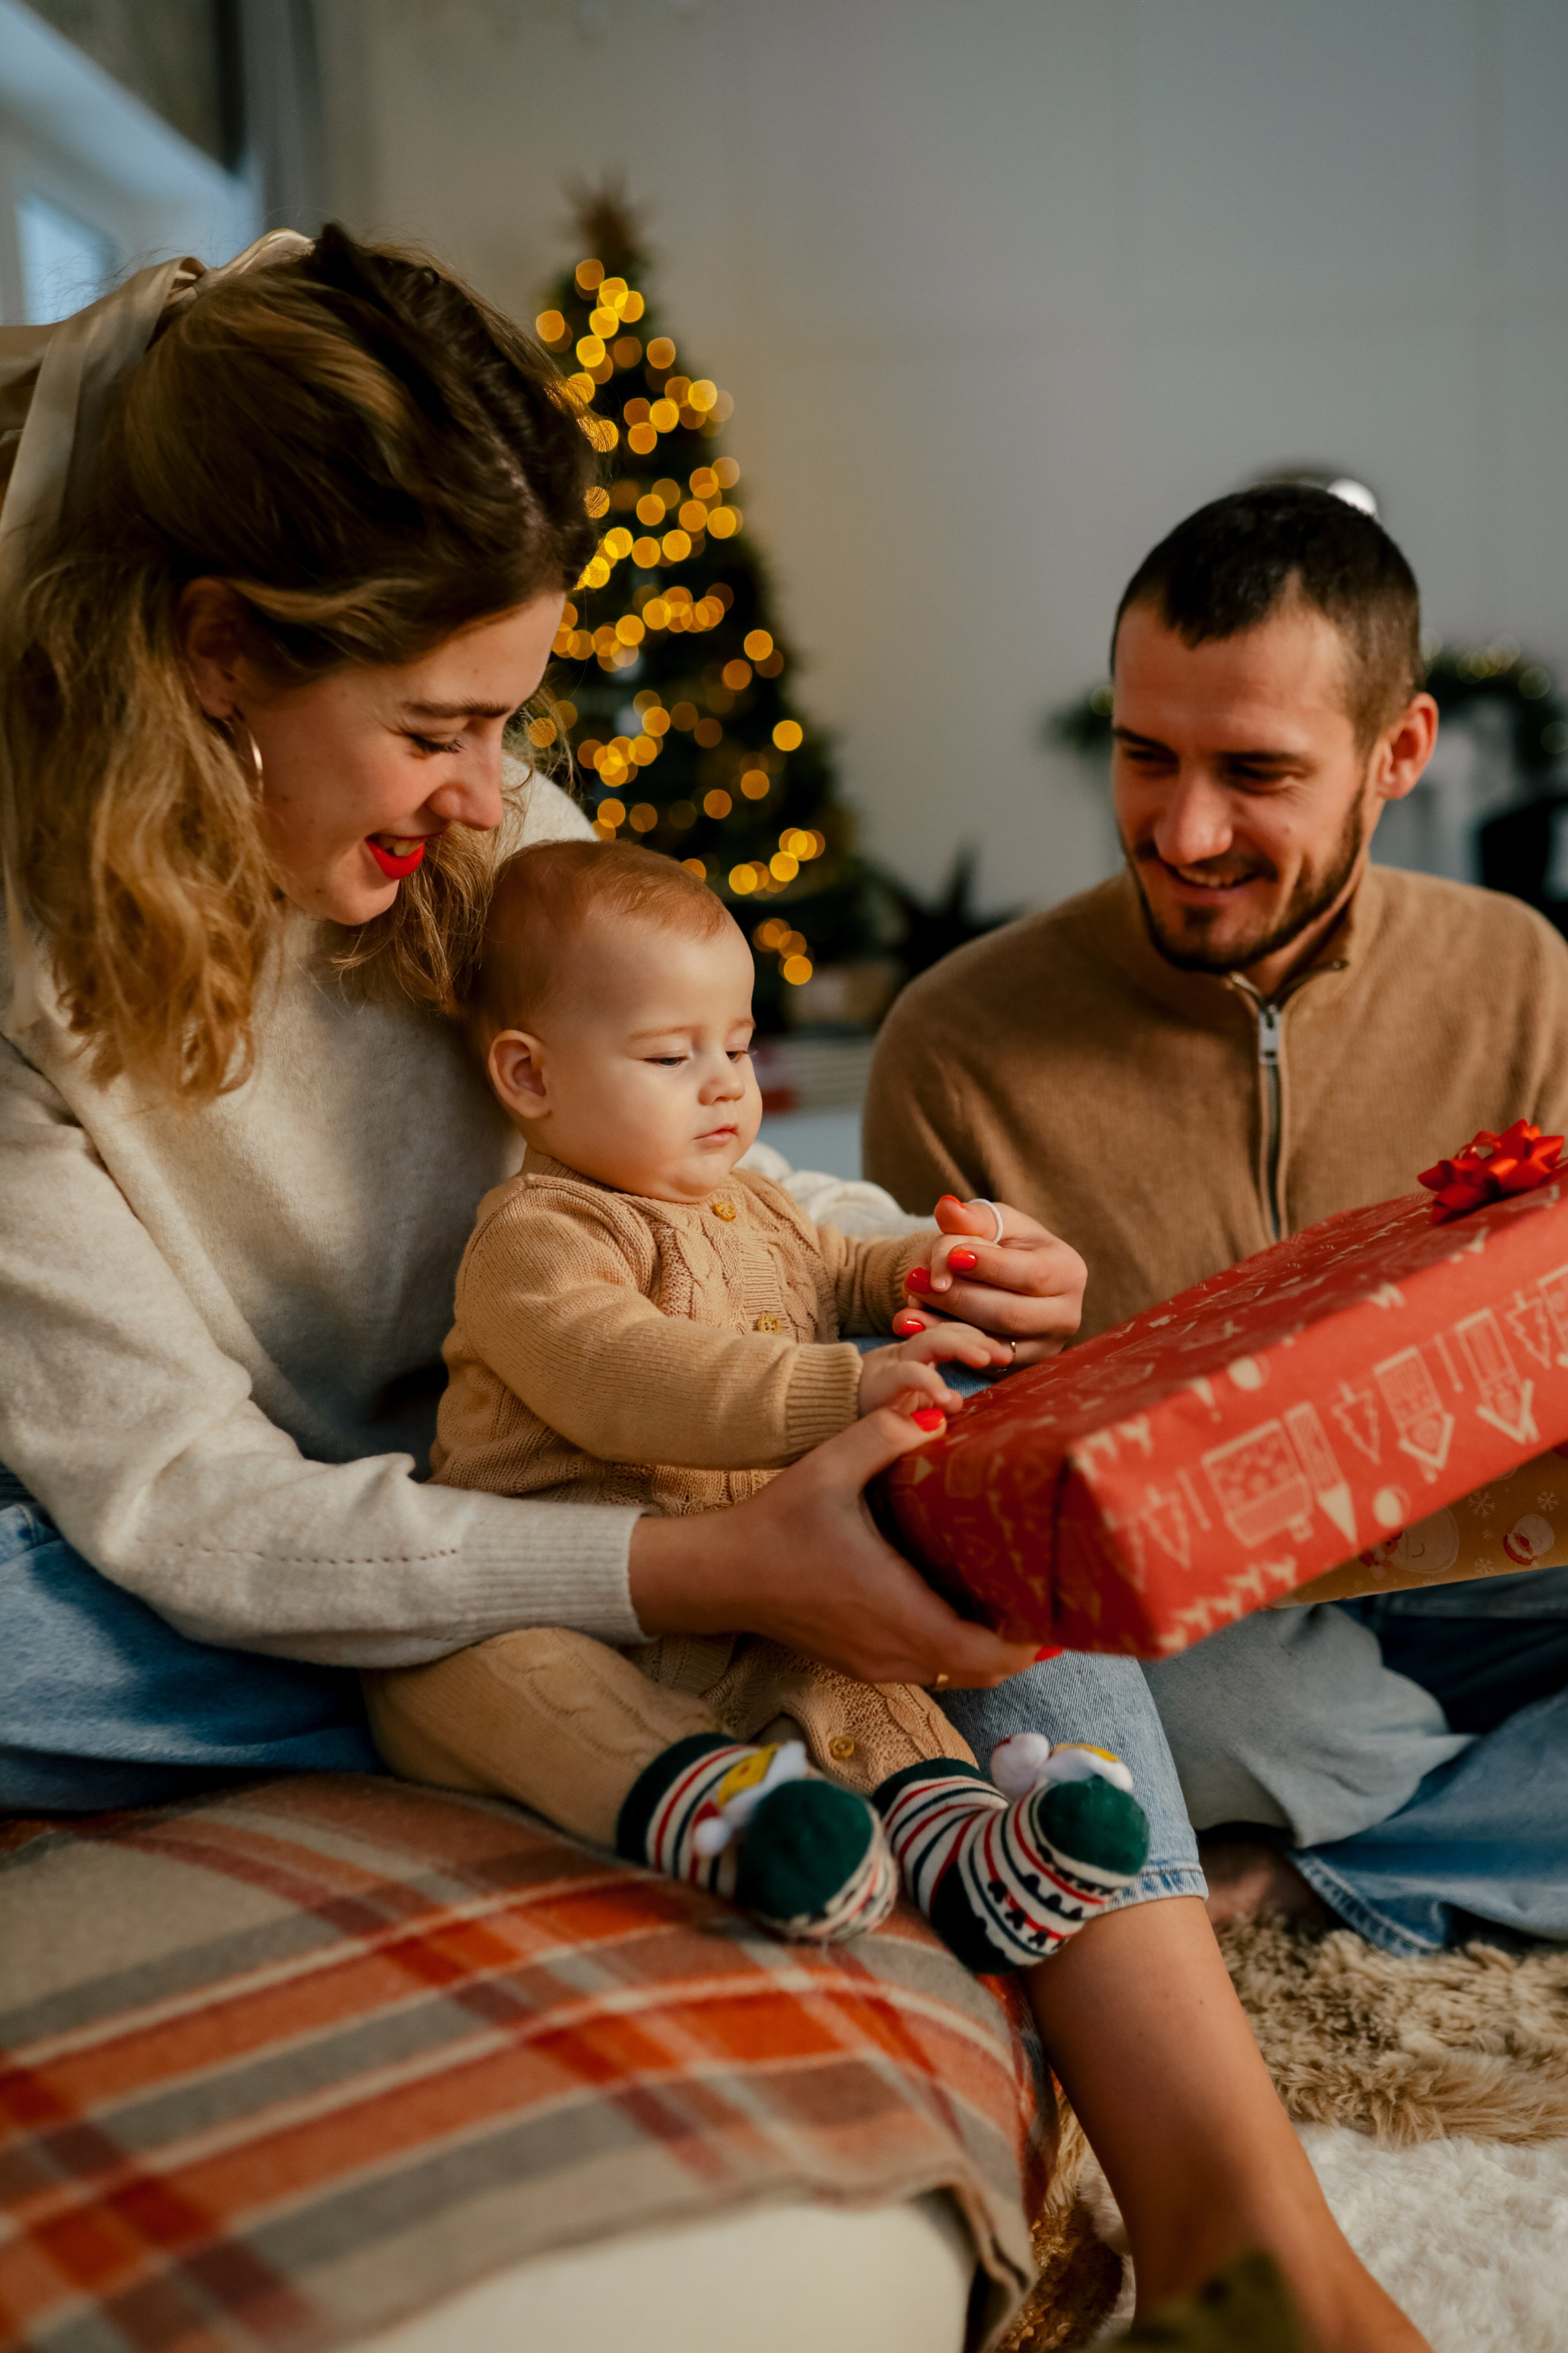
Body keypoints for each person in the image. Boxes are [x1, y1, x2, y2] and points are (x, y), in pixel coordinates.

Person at [0, 237, 1419, 2346]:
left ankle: (1250, 2245)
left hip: (563, 1444)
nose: (493, 788)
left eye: (513, 721)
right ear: (216, 649)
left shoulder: (483, 834)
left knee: (966, 1469)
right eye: (437, 727)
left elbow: (685, 1144)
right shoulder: (26, 982)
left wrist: (900, 1253)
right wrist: (694, 1570)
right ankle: (609, 1702)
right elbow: (192, 1513)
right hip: (242, 1550)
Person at [865, 482, 1568, 1966]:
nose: (1183, 830)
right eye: (1142, 756)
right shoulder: (959, 1041)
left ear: (1395, 755)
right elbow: (938, 1500)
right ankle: (1475, 1836)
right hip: (1216, 1658)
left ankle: (1318, 1872)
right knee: (1146, 1709)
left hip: (1508, 1575)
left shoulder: (1516, 971)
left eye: (1253, 771)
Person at [364, 837, 1150, 1962]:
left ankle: (963, 1842)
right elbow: (622, 1370)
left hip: (750, 1597)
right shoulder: (537, 1236)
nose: (729, 1081)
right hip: (569, 1601)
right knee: (481, 1679)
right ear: (530, 1077)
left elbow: (836, 1266)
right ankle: (731, 1812)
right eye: (673, 1054)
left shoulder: (748, 1202)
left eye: (735, 1042)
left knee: (847, 1677)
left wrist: (924, 1268)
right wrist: (845, 1384)